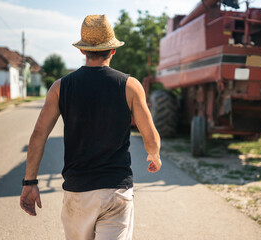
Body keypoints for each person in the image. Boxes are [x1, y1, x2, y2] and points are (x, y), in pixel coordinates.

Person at [20, 14, 162, 240]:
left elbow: (38, 135)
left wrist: (30, 182)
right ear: (113, 50)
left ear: (82, 50)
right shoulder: (130, 86)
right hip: (115, 191)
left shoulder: (60, 87)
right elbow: (151, 137)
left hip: (78, 192)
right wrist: (154, 155)